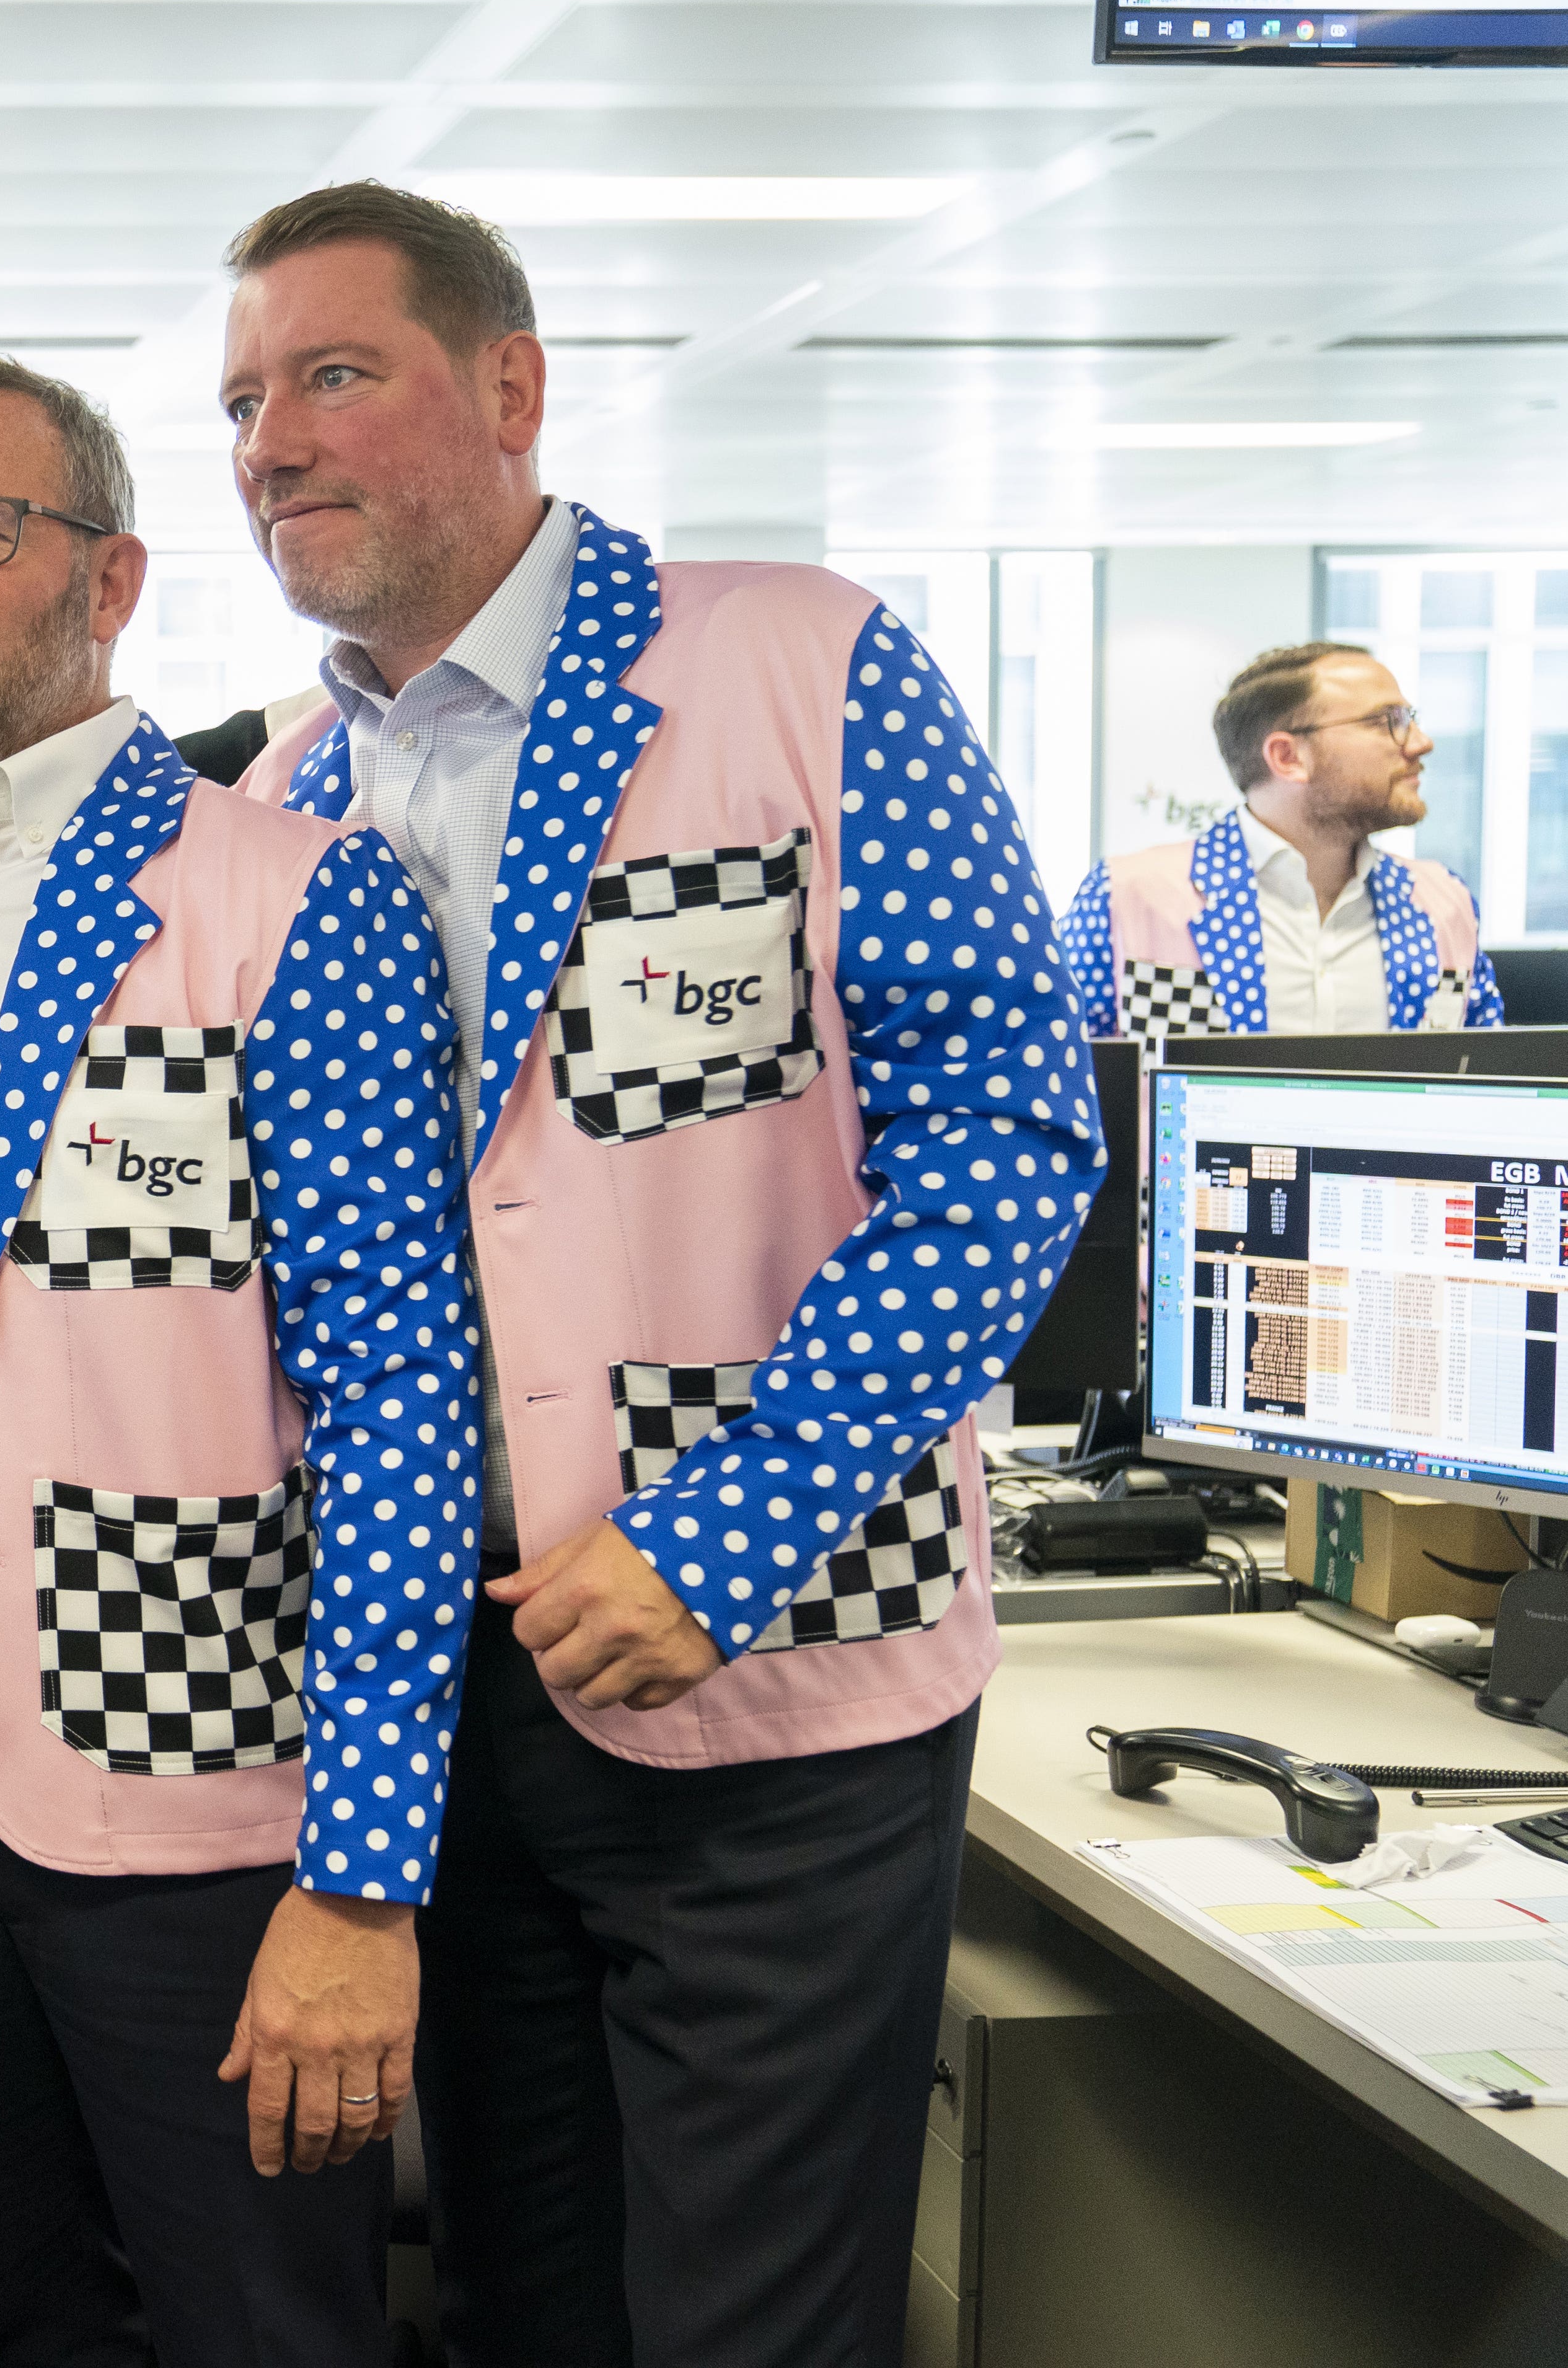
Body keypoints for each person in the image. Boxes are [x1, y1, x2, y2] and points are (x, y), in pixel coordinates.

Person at [215, 182, 1104, 2368]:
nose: (270, 442)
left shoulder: (789, 664)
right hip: (468, 1698)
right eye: (241, 400)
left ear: (510, 389)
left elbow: (1004, 1137)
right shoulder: (288, 787)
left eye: (333, 375)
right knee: (527, 2307)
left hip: (780, 1675)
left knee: (746, 2331)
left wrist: (727, 1529)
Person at [0, 353, 476, 2366]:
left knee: (263, 2332)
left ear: (112, 576)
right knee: (17, 2317)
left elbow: (402, 1404)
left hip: (198, 1795)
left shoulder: (287, 901)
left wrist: (362, 1874)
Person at [1060, 643, 1504, 1038]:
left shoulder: (1446, 904)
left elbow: (1489, 1086)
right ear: (1287, 757)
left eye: (1408, 719)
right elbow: (1061, 1082)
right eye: (1386, 722)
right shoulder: (1127, 896)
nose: (1420, 743)